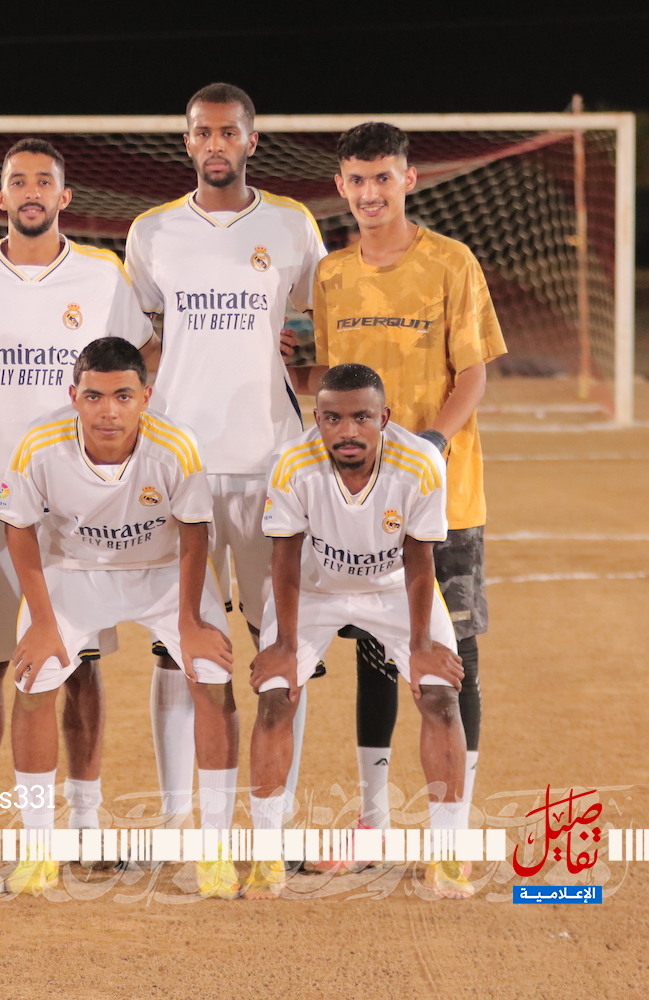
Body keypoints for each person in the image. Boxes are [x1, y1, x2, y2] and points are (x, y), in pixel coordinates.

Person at [299, 122, 505, 858]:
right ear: (341, 186)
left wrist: (432, 447)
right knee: (375, 653)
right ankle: (375, 820)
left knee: (455, 656)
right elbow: (331, 381)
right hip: (359, 499)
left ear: (408, 179)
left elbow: (473, 373)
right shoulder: (331, 274)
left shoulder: (451, 262)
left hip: (446, 495)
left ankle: (455, 829)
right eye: (357, 179)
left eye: (382, 177)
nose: (369, 192)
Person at [124, 83, 326, 827]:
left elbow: (320, 318)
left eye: (228, 132)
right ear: (187, 142)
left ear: (251, 140)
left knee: (282, 646)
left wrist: (303, 349)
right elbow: (144, 337)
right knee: (179, 647)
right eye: (203, 133)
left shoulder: (292, 225)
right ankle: (178, 821)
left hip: (273, 466)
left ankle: (276, 819)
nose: (216, 144)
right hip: (180, 469)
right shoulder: (152, 232)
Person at [0, 138, 152, 827]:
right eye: (18, 181)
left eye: (44, 181)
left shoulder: (102, 274)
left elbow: (140, 356)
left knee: (79, 662)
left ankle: (83, 820)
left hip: (77, 506)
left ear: (65, 197)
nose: (30, 191)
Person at [0, 337, 237, 897]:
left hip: (163, 572)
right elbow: (19, 527)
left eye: (123, 396)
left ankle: (216, 849)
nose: (109, 411)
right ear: (73, 396)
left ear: (145, 397)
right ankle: (38, 848)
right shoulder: (39, 444)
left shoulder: (177, 445)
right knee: (34, 680)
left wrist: (190, 623)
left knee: (213, 676)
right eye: (95, 396)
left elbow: (195, 534)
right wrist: (42, 621)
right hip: (75, 570)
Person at [247, 363, 471, 900]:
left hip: (393, 588)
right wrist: (283, 646)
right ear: (317, 418)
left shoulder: (420, 463)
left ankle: (448, 854)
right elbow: (285, 556)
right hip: (315, 588)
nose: (347, 431)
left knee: (440, 697)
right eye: (333, 418)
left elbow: (420, 559)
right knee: (275, 698)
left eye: (361, 418)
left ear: (384, 418)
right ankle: (265, 857)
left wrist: (420, 647)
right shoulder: (292, 464)